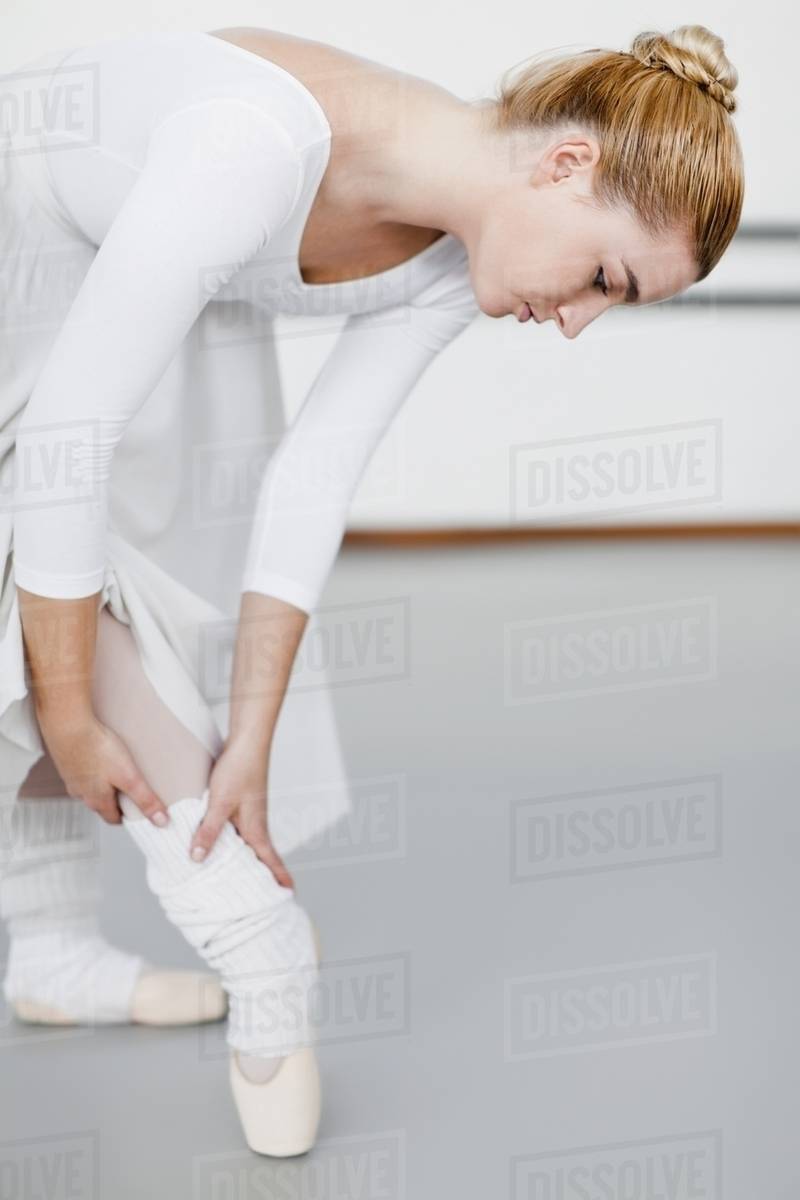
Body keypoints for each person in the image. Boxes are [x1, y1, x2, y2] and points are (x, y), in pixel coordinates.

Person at [0, 22, 744, 1156]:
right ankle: (258, 942)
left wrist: (253, 734)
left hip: (104, 272)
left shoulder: (454, 249)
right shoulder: (246, 151)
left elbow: (310, 478)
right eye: (602, 277)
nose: (579, 320)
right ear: (565, 164)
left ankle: (49, 953)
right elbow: (65, 437)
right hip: (22, 236)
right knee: (45, 555)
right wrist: (64, 705)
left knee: (124, 553)